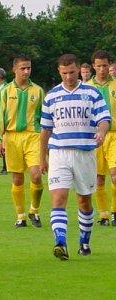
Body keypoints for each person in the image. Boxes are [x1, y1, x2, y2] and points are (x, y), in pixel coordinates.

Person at [40, 53, 110, 260]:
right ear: (59, 72)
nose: (68, 77)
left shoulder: (92, 93)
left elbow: (105, 118)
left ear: (79, 69)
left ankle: (84, 241)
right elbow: (45, 130)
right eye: (64, 73)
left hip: (85, 153)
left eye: (72, 72)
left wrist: (102, 132)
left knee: (84, 201)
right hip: (59, 153)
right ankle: (60, 243)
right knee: (58, 198)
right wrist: (41, 157)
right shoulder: (51, 96)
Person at [0, 55, 45, 228]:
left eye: (29, 68)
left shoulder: (38, 90)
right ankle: (20, 216)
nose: (26, 71)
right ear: (14, 69)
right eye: (22, 68)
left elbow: (44, 118)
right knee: (17, 179)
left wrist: (48, 143)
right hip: (12, 136)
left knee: (36, 175)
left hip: (33, 136)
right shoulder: (6, 91)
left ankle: (34, 210)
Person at [87, 50, 116, 226]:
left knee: (115, 175)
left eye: (105, 65)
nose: (102, 69)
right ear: (93, 66)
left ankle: (114, 211)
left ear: (110, 65)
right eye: (99, 66)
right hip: (94, 136)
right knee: (98, 177)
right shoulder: (87, 87)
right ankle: (103, 213)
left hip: (114, 135)